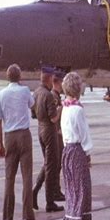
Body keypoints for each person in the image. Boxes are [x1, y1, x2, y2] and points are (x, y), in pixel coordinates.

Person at [54, 71, 95, 220]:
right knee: (81, 193)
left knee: (72, 193)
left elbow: (65, 134)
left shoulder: (65, 107)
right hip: (77, 152)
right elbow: (84, 134)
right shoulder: (77, 109)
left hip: (67, 151)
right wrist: (88, 153)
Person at [0, 64, 38, 220]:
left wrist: (0, 144)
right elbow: (32, 106)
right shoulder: (25, 91)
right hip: (24, 135)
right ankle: (28, 216)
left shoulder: (1, 94)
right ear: (19, 77)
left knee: (9, 178)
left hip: (9, 136)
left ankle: (9, 217)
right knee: (27, 177)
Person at [32, 66, 64, 213]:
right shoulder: (49, 95)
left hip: (40, 129)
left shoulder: (36, 92)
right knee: (51, 167)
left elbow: (33, 114)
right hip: (50, 132)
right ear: (50, 78)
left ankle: (35, 191)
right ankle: (49, 201)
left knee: (47, 164)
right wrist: (61, 109)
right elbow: (53, 119)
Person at [52, 70, 66, 201]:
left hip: (55, 133)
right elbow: (54, 117)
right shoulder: (54, 97)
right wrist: (63, 106)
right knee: (55, 165)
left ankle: (55, 190)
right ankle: (55, 191)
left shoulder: (55, 95)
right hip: (55, 134)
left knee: (53, 165)